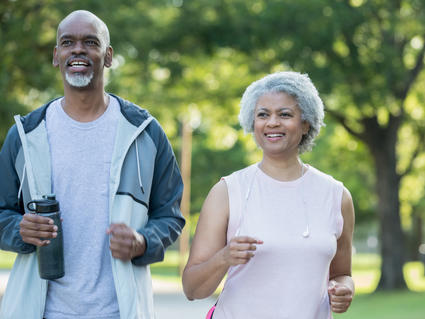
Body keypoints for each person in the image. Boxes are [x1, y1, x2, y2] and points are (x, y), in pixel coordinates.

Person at [0, 10, 184, 319]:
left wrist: (142, 242)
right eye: (67, 42)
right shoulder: (25, 135)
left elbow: (170, 215)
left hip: (119, 311)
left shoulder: (146, 133)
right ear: (56, 55)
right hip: (40, 311)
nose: (78, 50)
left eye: (90, 42)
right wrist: (19, 228)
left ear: (108, 56)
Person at [182, 71, 355, 318]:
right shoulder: (227, 192)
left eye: (285, 114)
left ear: (306, 123)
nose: (272, 122)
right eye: (263, 114)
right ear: (252, 123)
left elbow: (342, 274)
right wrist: (224, 257)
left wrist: (344, 290)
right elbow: (192, 289)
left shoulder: (337, 196)